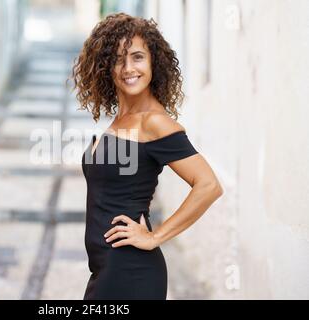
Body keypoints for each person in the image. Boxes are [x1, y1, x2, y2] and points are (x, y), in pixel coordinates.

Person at [71, 13, 223, 300]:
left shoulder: (154, 122)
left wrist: (155, 236)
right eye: (117, 59)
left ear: (154, 62)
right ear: (106, 67)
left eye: (137, 57)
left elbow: (209, 185)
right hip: (107, 269)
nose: (128, 68)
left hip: (131, 271)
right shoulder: (122, 120)